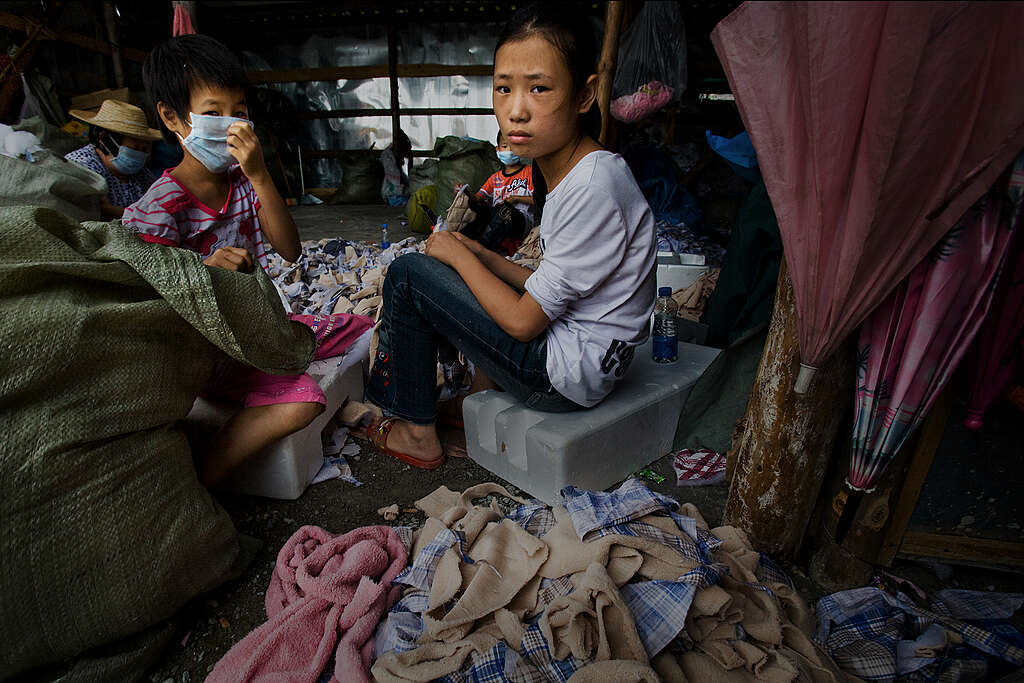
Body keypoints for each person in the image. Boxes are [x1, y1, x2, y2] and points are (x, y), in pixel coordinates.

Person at [363, 3, 657, 469]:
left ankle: (415, 431)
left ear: (585, 95)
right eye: (504, 88)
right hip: (588, 364)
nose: (515, 110)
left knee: (407, 275)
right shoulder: (579, 170)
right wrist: (477, 252)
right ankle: (472, 399)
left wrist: (461, 261)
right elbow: (550, 284)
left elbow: (524, 323)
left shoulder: (592, 186)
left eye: (539, 88)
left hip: (559, 379)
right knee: (472, 257)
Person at [123, 34, 372, 488]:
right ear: (173, 117)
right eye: (213, 113)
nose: (231, 124)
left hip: (251, 329)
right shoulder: (160, 207)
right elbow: (145, 305)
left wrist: (259, 174)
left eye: (239, 112)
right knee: (304, 399)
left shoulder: (242, 180)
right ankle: (205, 480)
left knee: (358, 328)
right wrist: (201, 274)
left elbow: (289, 250)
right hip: (207, 349)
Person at [65, 99, 161, 219]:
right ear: (105, 140)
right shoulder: (82, 167)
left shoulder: (141, 174)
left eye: (144, 150)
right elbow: (98, 213)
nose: (140, 154)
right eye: (134, 148)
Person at [457, 130, 535, 255]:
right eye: (505, 146)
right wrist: (464, 191)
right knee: (483, 212)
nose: (509, 150)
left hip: (519, 220)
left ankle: (482, 246)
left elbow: (539, 200)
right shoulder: (495, 178)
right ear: (498, 150)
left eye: (513, 146)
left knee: (506, 211)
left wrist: (516, 199)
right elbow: (477, 199)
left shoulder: (529, 173)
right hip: (497, 217)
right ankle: (458, 239)